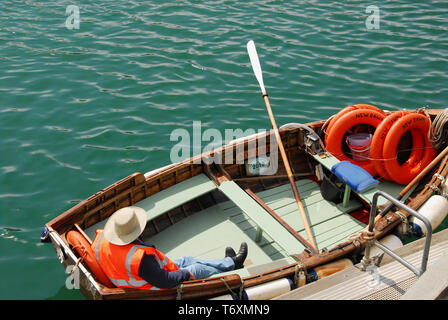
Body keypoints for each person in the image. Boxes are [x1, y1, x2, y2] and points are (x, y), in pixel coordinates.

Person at [92, 206, 248, 290]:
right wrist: (185, 274)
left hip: (136, 274)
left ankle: (230, 262)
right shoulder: (139, 259)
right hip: (152, 286)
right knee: (198, 268)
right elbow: (165, 281)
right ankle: (233, 265)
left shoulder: (100, 240)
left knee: (188, 259)